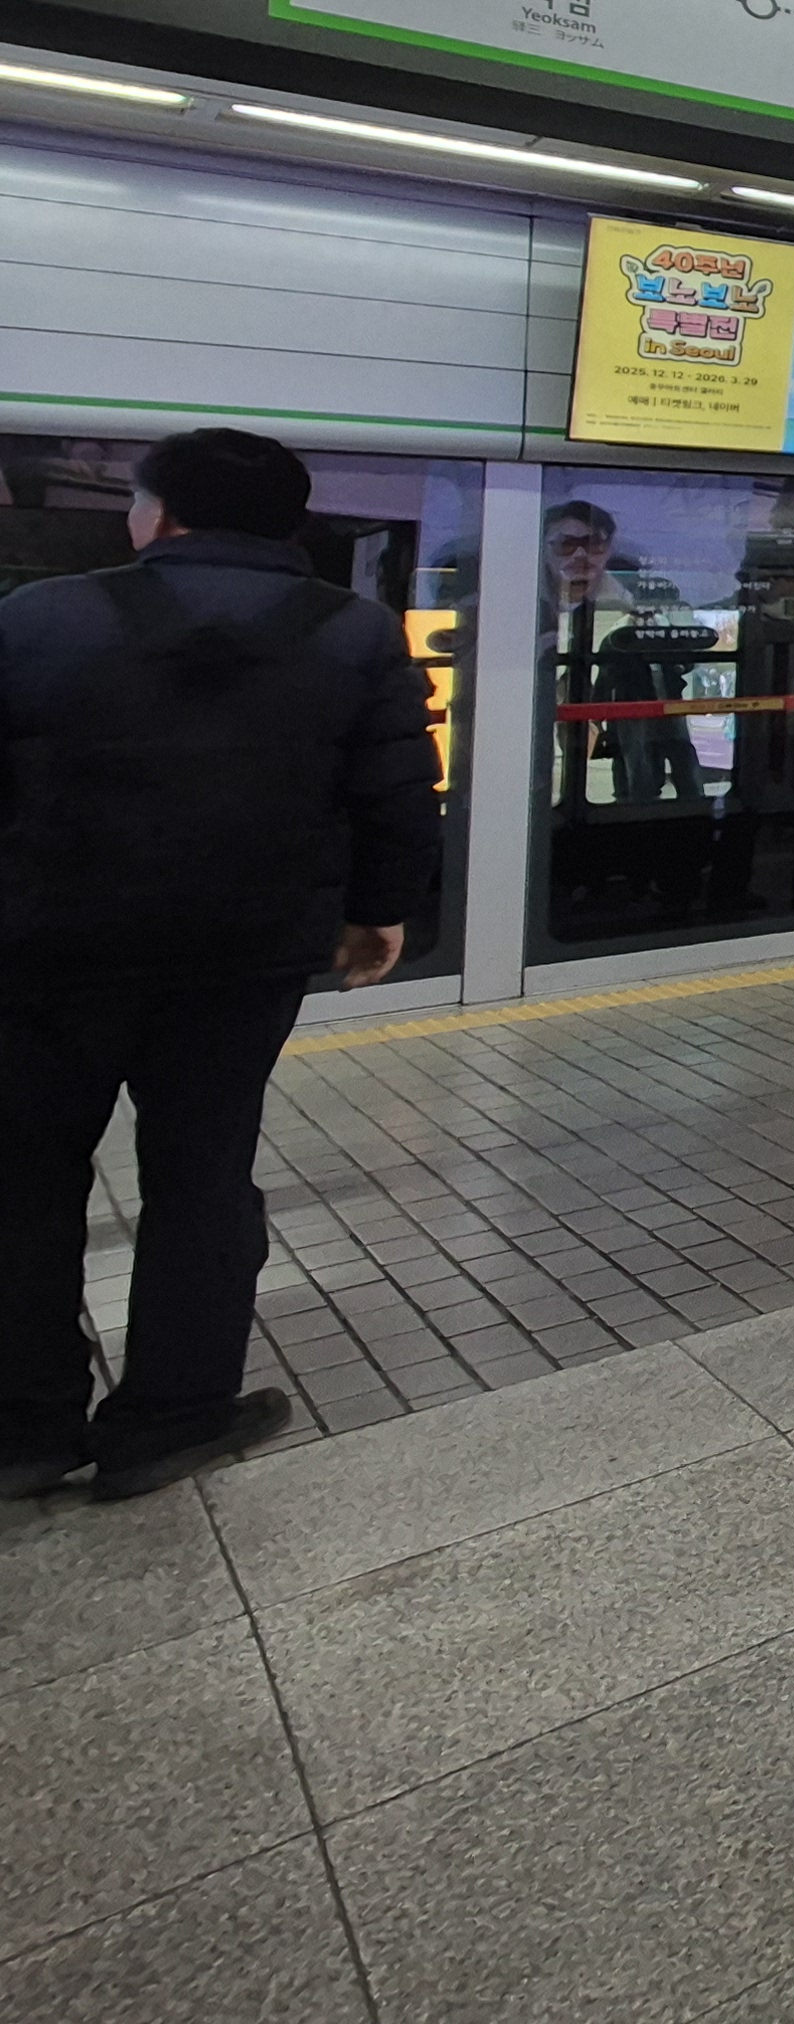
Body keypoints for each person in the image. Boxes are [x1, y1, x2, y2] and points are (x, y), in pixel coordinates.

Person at [0, 428, 440, 1499]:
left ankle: (23, 1428)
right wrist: (378, 913)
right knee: (202, 1173)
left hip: (46, 947)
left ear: (157, 515)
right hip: (242, 957)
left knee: (23, 1176)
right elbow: (396, 793)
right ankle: (172, 1417)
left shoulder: (37, 615)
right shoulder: (354, 629)